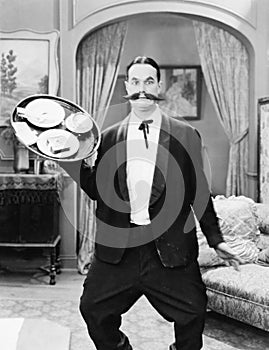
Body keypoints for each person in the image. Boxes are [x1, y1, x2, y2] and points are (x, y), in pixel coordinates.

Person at [64, 56, 243, 350]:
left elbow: (199, 191)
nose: (142, 89)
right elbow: (97, 192)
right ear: (127, 87)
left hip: (169, 247)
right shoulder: (106, 139)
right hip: (119, 249)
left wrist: (215, 239)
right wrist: (82, 163)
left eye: (149, 81)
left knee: (193, 313)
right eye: (135, 82)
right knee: (93, 309)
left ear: (159, 86)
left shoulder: (186, 135)